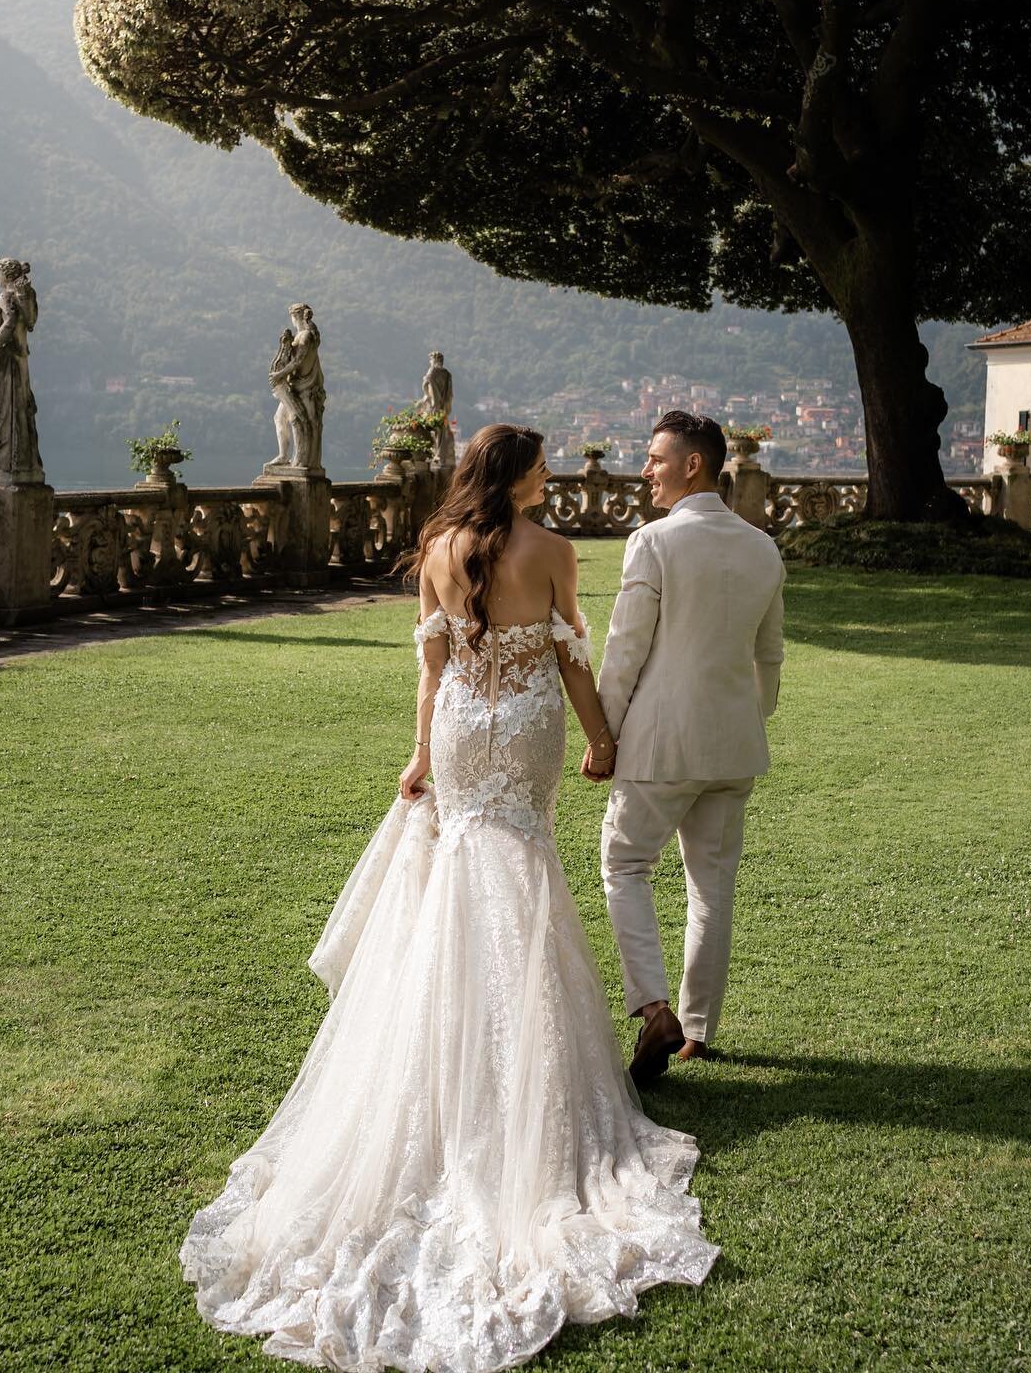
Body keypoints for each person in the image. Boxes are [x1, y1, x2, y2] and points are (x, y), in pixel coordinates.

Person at [180, 424, 717, 1372]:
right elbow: (570, 662)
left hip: (466, 726)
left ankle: (443, 1042)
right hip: (529, 729)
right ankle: (516, 1067)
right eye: (543, 464)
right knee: (523, 864)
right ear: (514, 476)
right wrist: (601, 742)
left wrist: (422, 755)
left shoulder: (437, 550)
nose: (552, 476)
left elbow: (429, 673)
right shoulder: (553, 550)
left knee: (465, 866)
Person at [593, 411, 786, 1085]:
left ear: (692, 464)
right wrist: (739, 717)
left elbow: (623, 652)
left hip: (661, 741)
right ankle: (698, 1030)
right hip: (734, 743)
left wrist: (604, 733)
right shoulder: (764, 547)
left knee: (623, 864)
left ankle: (654, 1010)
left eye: (655, 458)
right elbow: (770, 660)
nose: (646, 470)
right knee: (713, 888)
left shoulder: (654, 542)